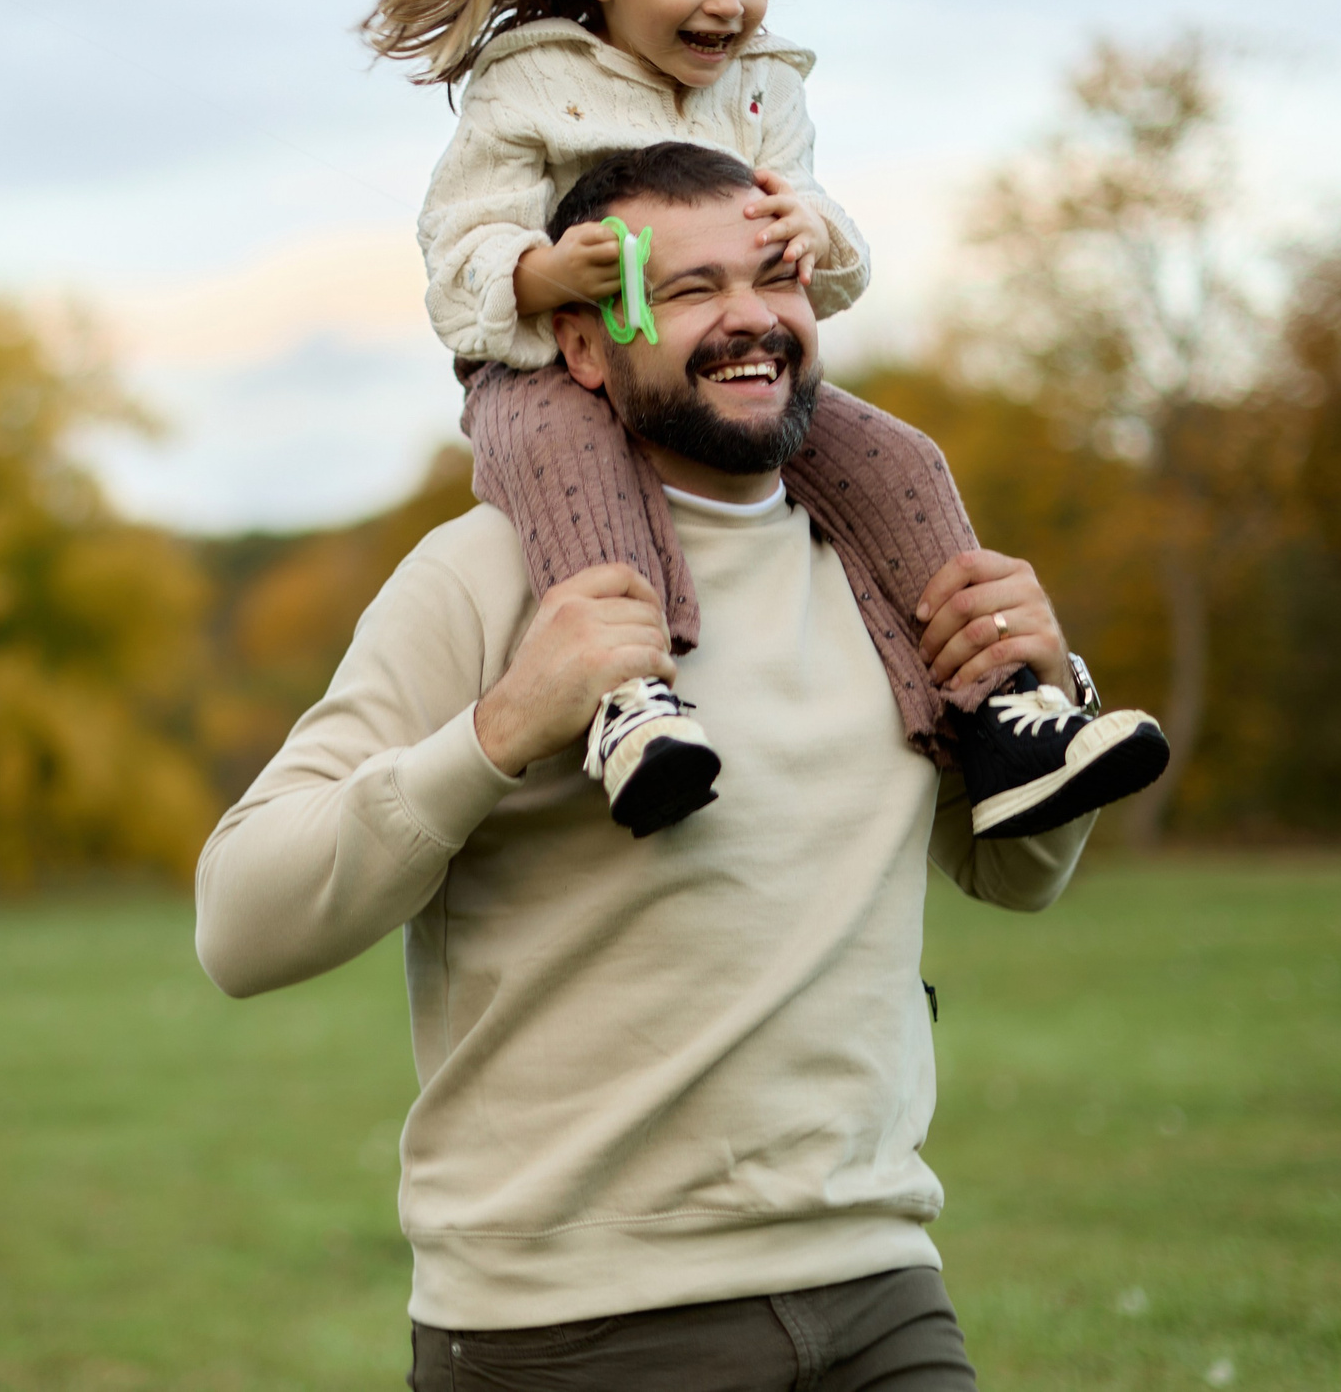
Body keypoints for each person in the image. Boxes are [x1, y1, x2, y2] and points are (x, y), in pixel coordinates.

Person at [199, 144, 1123, 1389]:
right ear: (582, 346)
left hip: (880, 1290)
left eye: (776, 275)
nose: (751, 317)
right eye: (688, 291)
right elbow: (240, 925)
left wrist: (1039, 684)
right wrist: (499, 730)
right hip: (570, 1327)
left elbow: (1014, 879)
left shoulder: (888, 568)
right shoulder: (483, 573)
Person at [364, 0, 1167, 834]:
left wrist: (814, 230)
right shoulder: (528, 87)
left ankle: (999, 711)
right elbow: (456, 245)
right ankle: (627, 704)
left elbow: (822, 257)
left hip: (726, 375)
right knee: (571, 467)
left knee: (900, 458)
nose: (727, 6)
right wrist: (540, 272)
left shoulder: (761, 90)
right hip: (545, 372)